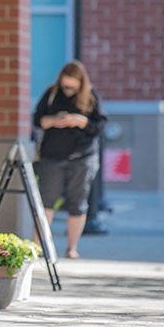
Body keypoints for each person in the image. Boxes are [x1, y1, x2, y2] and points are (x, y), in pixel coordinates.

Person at [32, 61, 107, 259]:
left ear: (81, 84)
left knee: (78, 203)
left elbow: (99, 126)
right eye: (65, 86)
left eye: (72, 88)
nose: (67, 91)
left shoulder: (91, 96)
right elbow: (37, 120)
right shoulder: (52, 94)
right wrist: (54, 121)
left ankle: (71, 248)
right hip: (52, 156)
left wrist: (81, 121)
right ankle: (37, 246)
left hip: (82, 157)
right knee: (46, 202)